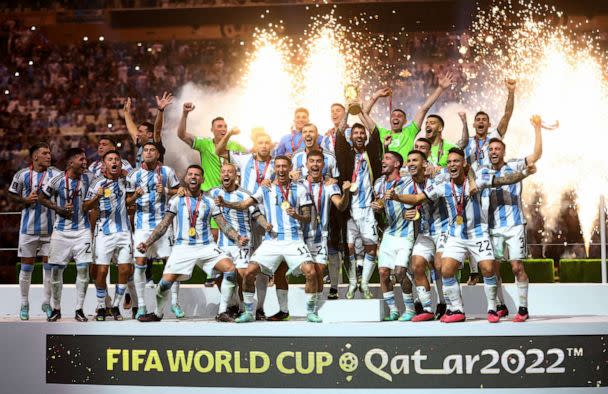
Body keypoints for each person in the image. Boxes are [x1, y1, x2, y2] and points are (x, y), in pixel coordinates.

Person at [389, 147, 535, 323]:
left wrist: (525, 172)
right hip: (456, 235)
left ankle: (492, 309)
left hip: (478, 234)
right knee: (446, 270)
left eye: (456, 161)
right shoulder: (443, 186)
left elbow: (503, 180)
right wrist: (397, 197)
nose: (452, 165)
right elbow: (417, 199)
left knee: (488, 269)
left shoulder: (477, 180)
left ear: (464, 163)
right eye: (449, 162)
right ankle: (457, 310)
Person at [215, 156, 321, 323]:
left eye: (284, 166)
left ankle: (311, 312)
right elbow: (244, 205)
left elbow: (308, 218)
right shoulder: (265, 189)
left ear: (289, 167)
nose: (281, 170)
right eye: (278, 166)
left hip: (294, 240)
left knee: (311, 272)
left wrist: (297, 215)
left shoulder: (300, 189)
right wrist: (225, 204)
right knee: (249, 273)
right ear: (274, 169)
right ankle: (249, 312)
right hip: (271, 241)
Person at [137, 165, 244, 322]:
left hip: (207, 246)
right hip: (183, 248)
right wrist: (147, 243)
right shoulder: (176, 200)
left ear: (202, 179)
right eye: (190, 174)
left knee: (230, 269)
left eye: (197, 175)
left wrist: (238, 238)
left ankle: (223, 312)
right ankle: (157, 313)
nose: (193, 177)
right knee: (165, 283)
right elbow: (163, 225)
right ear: (186, 178)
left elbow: (223, 225)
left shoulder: (209, 201)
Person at [487, 115, 543, 322]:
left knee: (517, 266)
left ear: (503, 151)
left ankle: (523, 309)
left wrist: (537, 129)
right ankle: (497, 307)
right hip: (493, 227)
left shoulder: (515, 165)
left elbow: (536, 154)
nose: (494, 152)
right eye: (491, 149)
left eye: (497, 149)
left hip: (515, 225)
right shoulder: (482, 172)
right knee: (492, 268)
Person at [39, 148, 95, 322]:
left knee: (83, 269)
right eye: (81, 160)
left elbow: (105, 179)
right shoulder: (56, 180)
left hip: (83, 230)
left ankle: (79, 309)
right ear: (71, 163)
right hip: (61, 232)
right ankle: (56, 308)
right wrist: (59, 209)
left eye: (85, 159)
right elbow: (41, 198)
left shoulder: (89, 177)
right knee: (56, 271)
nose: (85, 162)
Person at [126, 142, 181, 319]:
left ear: (158, 154)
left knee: (171, 263)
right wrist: (135, 196)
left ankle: (174, 303)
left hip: (164, 224)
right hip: (142, 226)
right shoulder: (133, 175)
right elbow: (126, 202)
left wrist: (165, 190)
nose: (148, 153)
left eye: (152, 150)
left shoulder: (167, 171)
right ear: (142, 155)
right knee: (140, 263)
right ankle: (141, 306)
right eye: (145, 151)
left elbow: (180, 191)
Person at [209, 163, 269, 321]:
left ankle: (244, 308)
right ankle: (233, 305)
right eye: (223, 171)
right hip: (223, 243)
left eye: (230, 171)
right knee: (219, 276)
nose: (226, 174)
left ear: (236, 176)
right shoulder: (213, 193)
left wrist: (266, 225)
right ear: (220, 175)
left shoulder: (244, 195)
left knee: (242, 275)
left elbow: (256, 214)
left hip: (242, 243)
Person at [8, 142, 61, 320]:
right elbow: (11, 195)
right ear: (35, 156)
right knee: (26, 268)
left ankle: (46, 302)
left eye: (49, 153)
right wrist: (24, 199)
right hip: (28, 229)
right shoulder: (22, 175)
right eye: (45, 153)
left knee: (49, 268)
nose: (49, 156)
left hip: (50, 230)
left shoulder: (56, 174)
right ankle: (24, 303)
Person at [177, 102, 246, 237]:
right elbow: (182, 135)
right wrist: (185, 114)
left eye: (225, 126)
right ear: (212, 130)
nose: (223, 128)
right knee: (213, 235)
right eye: (219, 126)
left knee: (234, 234)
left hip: (231, 197)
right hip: (211, 197)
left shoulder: (236, 146)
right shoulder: (205, 144)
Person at [334, 113, 383, 299]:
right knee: (349, 248)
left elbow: (375, 132)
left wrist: (361, 112)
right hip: (349, 209)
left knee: (371, 248)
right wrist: (347, 109)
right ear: (351, 136)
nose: (360, 136)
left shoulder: (371, 152)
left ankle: (364, 284)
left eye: (362, 133)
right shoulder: (346, 153)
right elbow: (339, 134)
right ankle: (353, 283)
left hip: (369, 209)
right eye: (355, 133)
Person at [83, 150, 135, 321]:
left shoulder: (125, 181)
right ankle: (100, 306)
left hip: (124, 232)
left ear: (120, 164)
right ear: (104, 164)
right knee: (102, 270)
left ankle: (115, 306)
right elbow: (85, 207)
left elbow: (127, 201)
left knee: (125, 270)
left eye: (117, 160)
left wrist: (134, 197)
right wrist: (96, 197)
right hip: (103, 233)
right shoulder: (96, 183)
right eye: (110, 159)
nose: (114, 162)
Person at [362, 73, 454, 160]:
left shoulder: (409, 132)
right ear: (390, 120)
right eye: (393, 115)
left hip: (405, 173)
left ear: (405, 121)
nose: (396, 117)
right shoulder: (381, 132)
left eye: (399, 116)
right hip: (386, 174)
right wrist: (376, 96)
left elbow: (424, 109)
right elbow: (364, 114)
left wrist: (440, 88)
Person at [372, 151, 418, 321]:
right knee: (383, 272)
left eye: (387, 159)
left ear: (397, 164)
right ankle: (393, 310)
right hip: (390, 233)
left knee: (399, 272)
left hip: (406, 233)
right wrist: (378, 207)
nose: (383, 161)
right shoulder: (378, 183)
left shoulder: (408, 181)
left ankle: (411, 309)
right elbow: (381, 204)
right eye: (383, 158)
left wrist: (414, 211)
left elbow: (417, 199)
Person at [406, 149, 450, 321]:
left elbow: (457, 173)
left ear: (424, 163)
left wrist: (441, 169)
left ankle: (447, 304)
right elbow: (408, 207)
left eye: (414, 160)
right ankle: (426, 309)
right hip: (425, 231)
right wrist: (406, 214)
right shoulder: (406, 184)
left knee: (440, 266)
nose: (410, 163)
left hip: (444, 228)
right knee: (416, 265)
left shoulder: (437, 177)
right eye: (408, 160)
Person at [299, 150, 350, 301]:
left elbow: (340, 205)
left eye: (319, 161)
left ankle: (314, 309)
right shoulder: (297, 184)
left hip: (320, 236)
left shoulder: (329, 185)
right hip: (298, 237)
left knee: (318, 272)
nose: (315, 164)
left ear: (323, 165)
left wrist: (346, 192)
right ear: (306, 164)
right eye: (312, 161)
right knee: (309, 273)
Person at [463, 80, 517, 169]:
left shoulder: (494, 136)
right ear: (473, 125)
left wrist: (511, 92)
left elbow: (507, 115)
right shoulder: (466, 142)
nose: (481, 122)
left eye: (484, 120)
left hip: (491, 179)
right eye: (478, 120)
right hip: (472, 181)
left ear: (489, 125)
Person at [123, 92, 173, 168]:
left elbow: (158, 130)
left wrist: (160, 110)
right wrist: (126, 113)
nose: (137, 134)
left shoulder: (155, 144)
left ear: (149, 134)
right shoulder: (140, 144)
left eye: (140, 132)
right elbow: (132, 131)